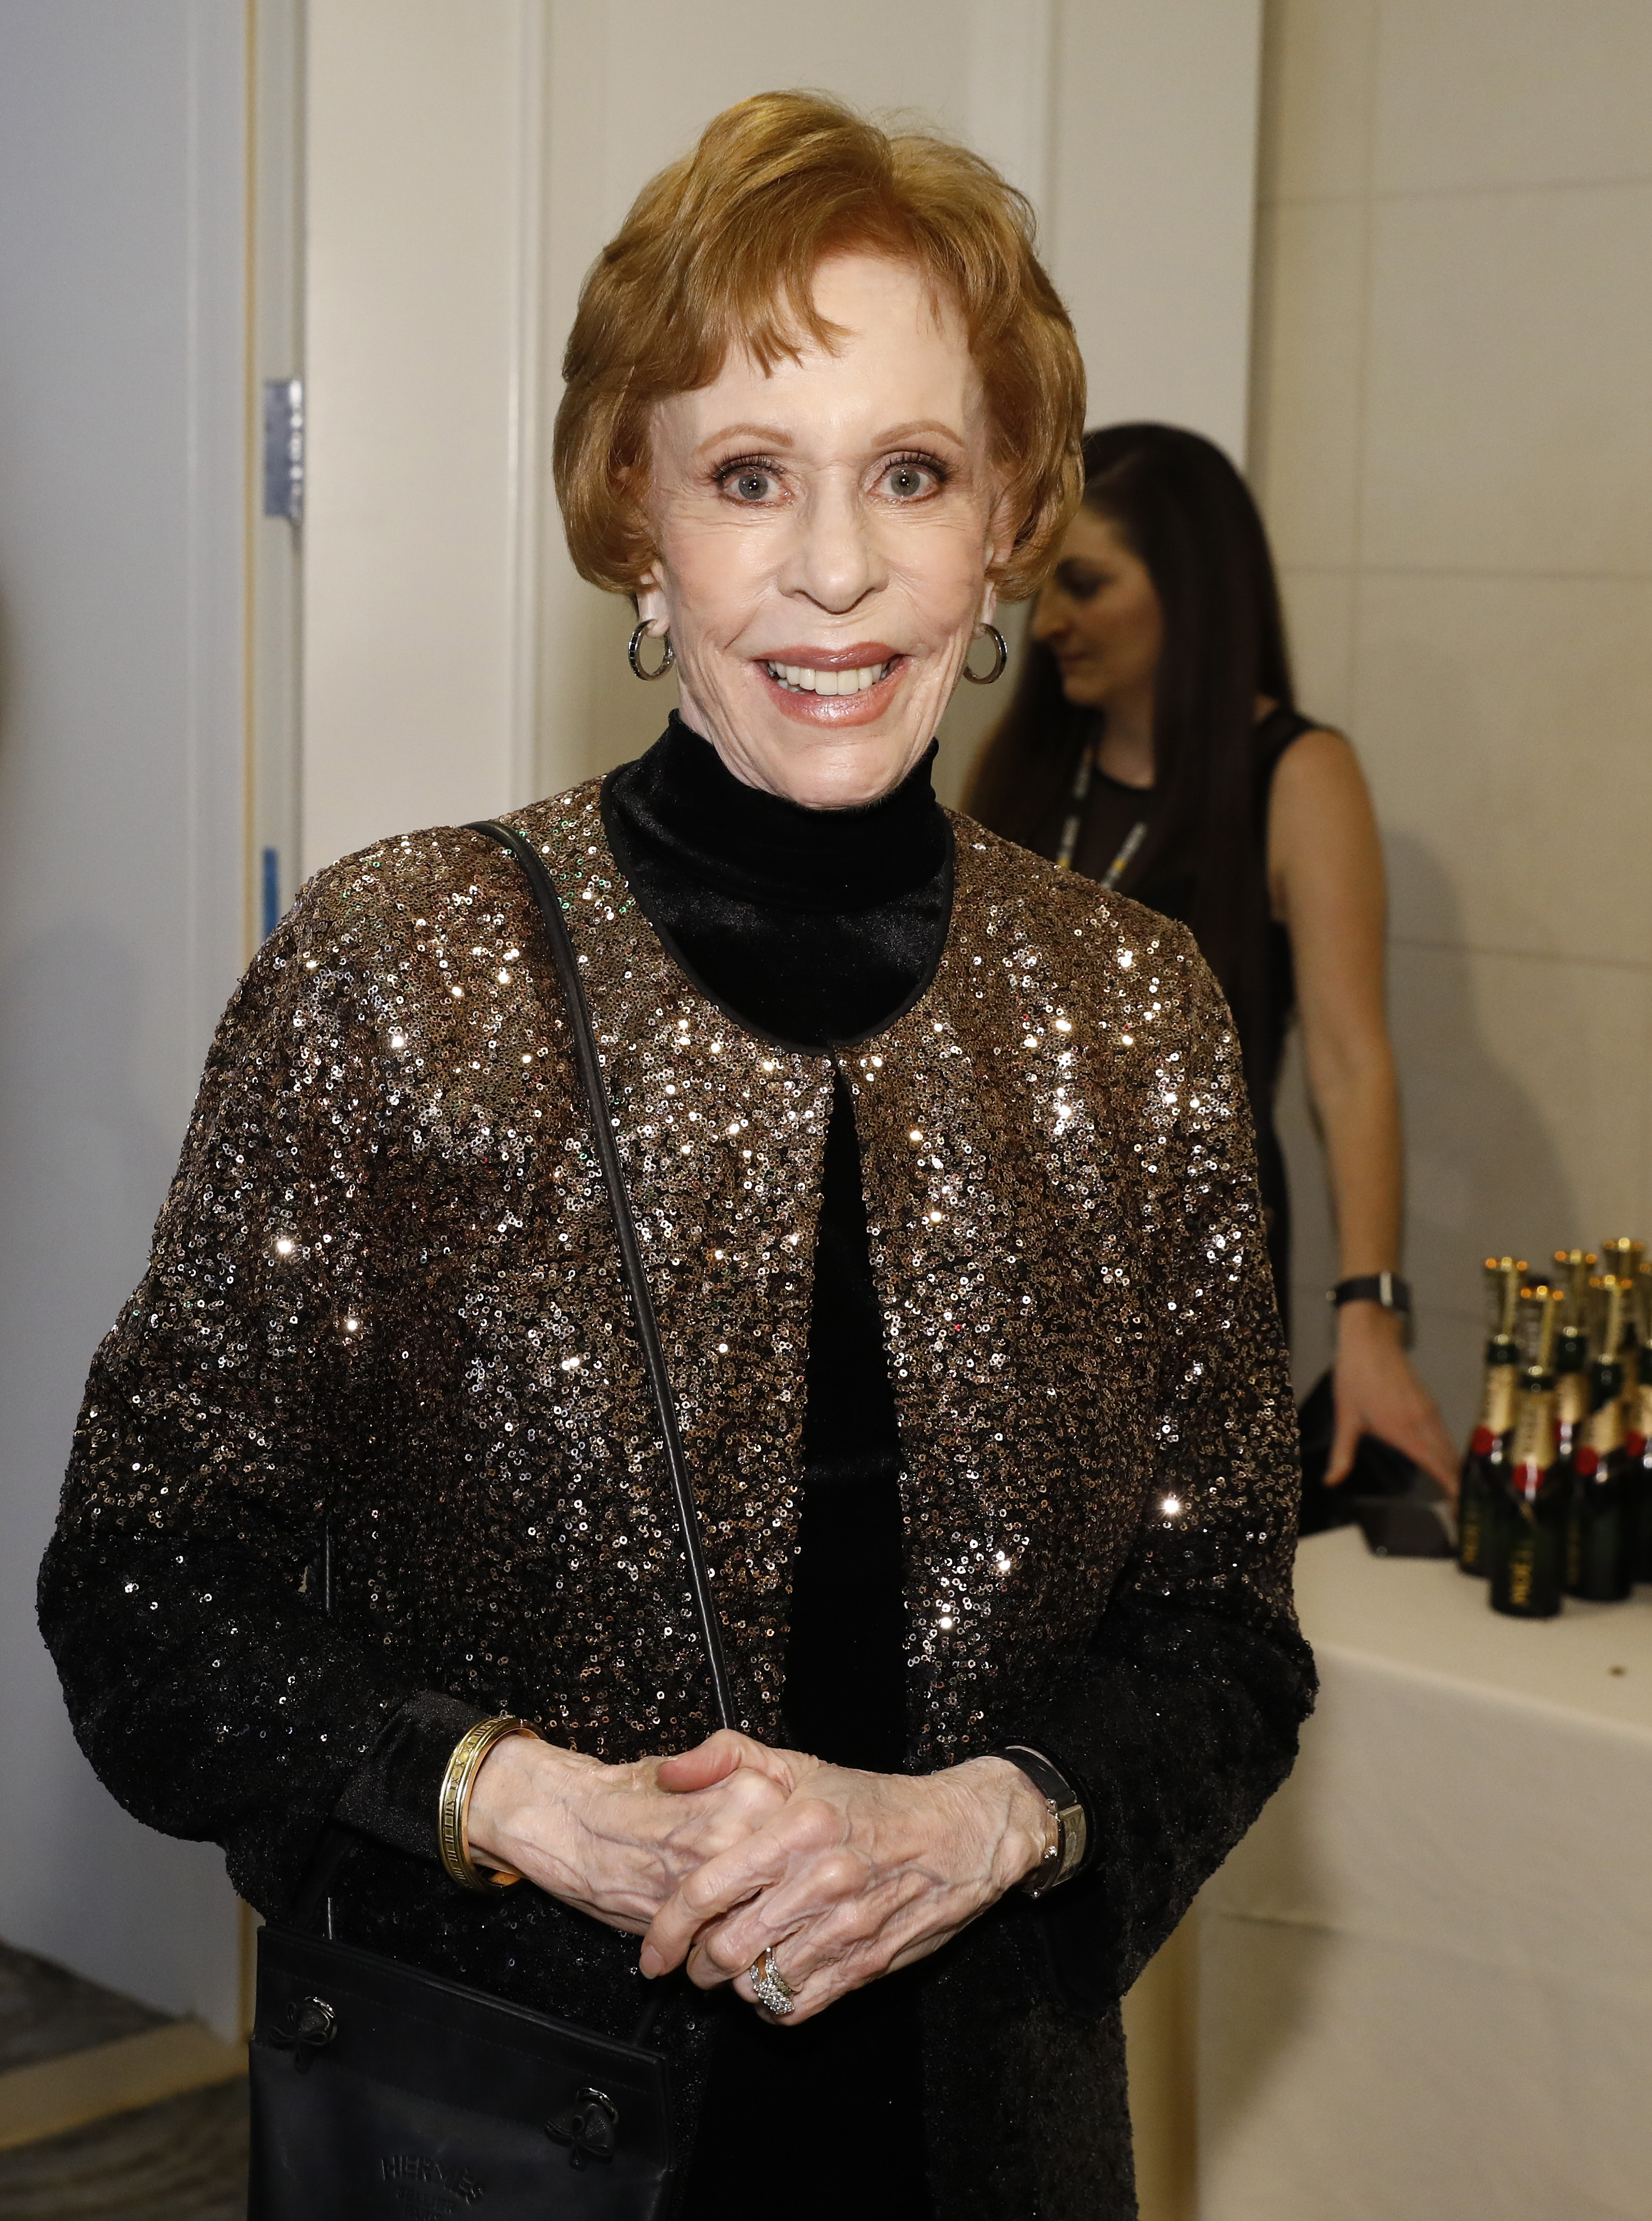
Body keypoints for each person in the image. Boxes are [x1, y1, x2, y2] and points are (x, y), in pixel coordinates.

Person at [39, 98, 1314, 2218]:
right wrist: (520, 1798)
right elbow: (146, 1590)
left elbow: (1220, 1637)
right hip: (495, 2128)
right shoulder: (400, 973)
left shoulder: (1133, 1012)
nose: (834, 571)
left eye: (908, 473)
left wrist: (982, 1819)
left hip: (979, 2135)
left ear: (1006, 515)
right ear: (634, 518)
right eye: (747, 478)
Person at [966, 423, 1458, 1498]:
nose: (1048, 622)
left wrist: (1370, 1317)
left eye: (1084, 585)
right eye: (1042, 588)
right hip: (996, 1270)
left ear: (1188, 588)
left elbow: (1349, 1062)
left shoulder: (1297, 775)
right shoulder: (1028, 771)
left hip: (1185, 1279)